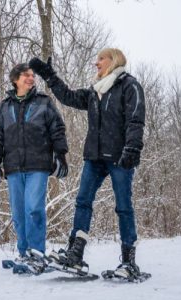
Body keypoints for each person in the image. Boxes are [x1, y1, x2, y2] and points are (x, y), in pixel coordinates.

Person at [29, 48, 148, 280]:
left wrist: (132, 148)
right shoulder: (95, 92)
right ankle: (76, 253)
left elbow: (136, 119)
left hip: (120, 157)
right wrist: (49, 75)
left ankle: (128, 262)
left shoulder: (129, 86)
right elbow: (69, 96)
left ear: (113, 61)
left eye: (100, 59)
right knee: (83, 201)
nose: (96, 63)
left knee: (123, 207)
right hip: (94, 158)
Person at [0, 63, 69, 264]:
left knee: (33, 209)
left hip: (38, 165)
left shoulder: (44, 102)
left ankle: (37, 253)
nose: (31, 78)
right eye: (26, 75)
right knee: (18, 214)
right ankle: (24, 254)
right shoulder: (4, 107)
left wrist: (60, 155)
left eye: (33, 75)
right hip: (13, 167)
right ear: (15, 79)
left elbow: (57, 129)